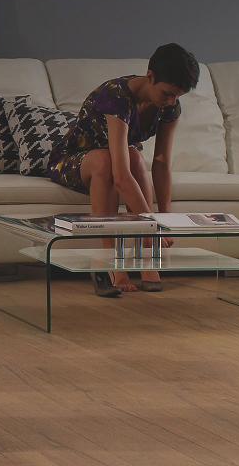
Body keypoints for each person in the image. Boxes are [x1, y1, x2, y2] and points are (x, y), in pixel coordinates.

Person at [46, 43, 199, 297]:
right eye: (167, 94)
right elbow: (120, 177)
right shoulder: (116, 96)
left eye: (177, 96)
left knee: (135, 157)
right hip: (73, 161)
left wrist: (165, 219)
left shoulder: (169, 106)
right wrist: (153, 226)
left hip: (117, 157)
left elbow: (161, 162)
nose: (171, 102)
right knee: (107, 161)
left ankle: (146, 257)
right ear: (150, 76)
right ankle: (109, 261)